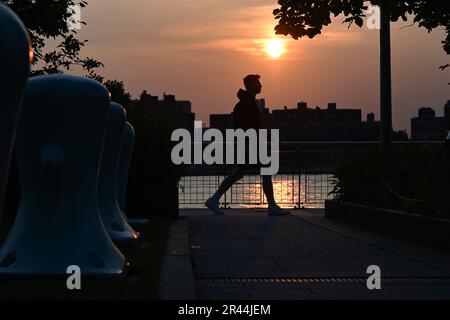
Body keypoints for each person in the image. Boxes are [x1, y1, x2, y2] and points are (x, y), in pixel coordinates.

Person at [205, 74, 290, 216]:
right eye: (258, 83)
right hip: (251, 143)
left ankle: (214, 199)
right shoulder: (248, 104)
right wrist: (272, 139)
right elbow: (255, 127)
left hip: (247, 142)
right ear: (251, 85)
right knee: (265, 170)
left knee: (238, 173)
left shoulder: (244, 103)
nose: (261, 86)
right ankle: (272, 206)